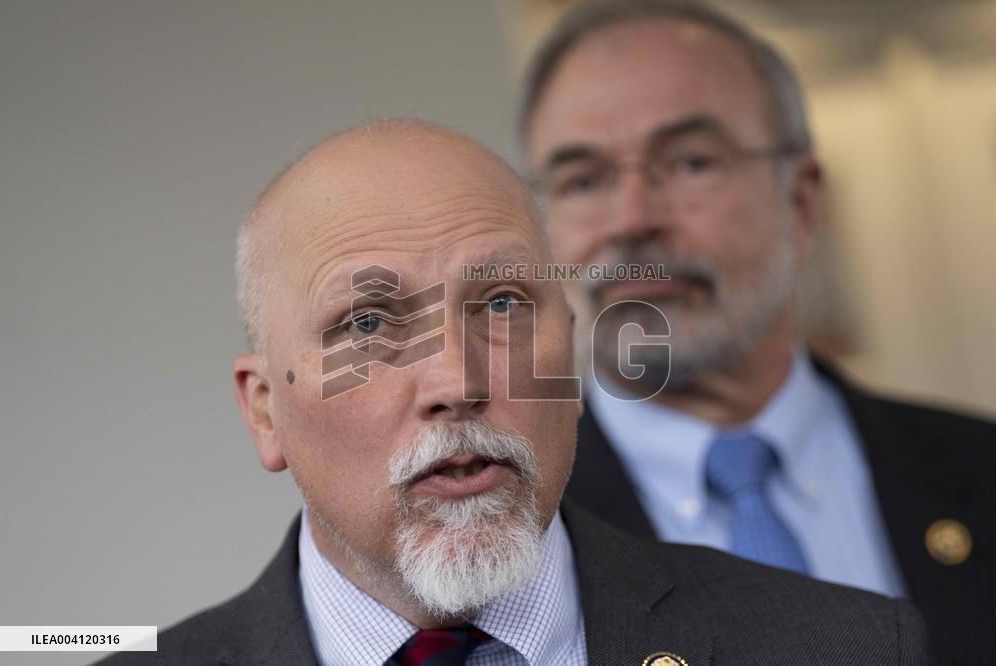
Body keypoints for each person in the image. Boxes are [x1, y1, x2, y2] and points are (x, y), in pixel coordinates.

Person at [98, 121, 928, 665]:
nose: (457, 383)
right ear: (264, 411)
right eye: (368, 324)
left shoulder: (842, 646)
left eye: (501, 305)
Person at [521, 1, 996, 663]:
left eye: (689, 163)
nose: (631, 219)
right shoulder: (507, 537)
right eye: (583, 179)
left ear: (801, 203)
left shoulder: (979, 472)